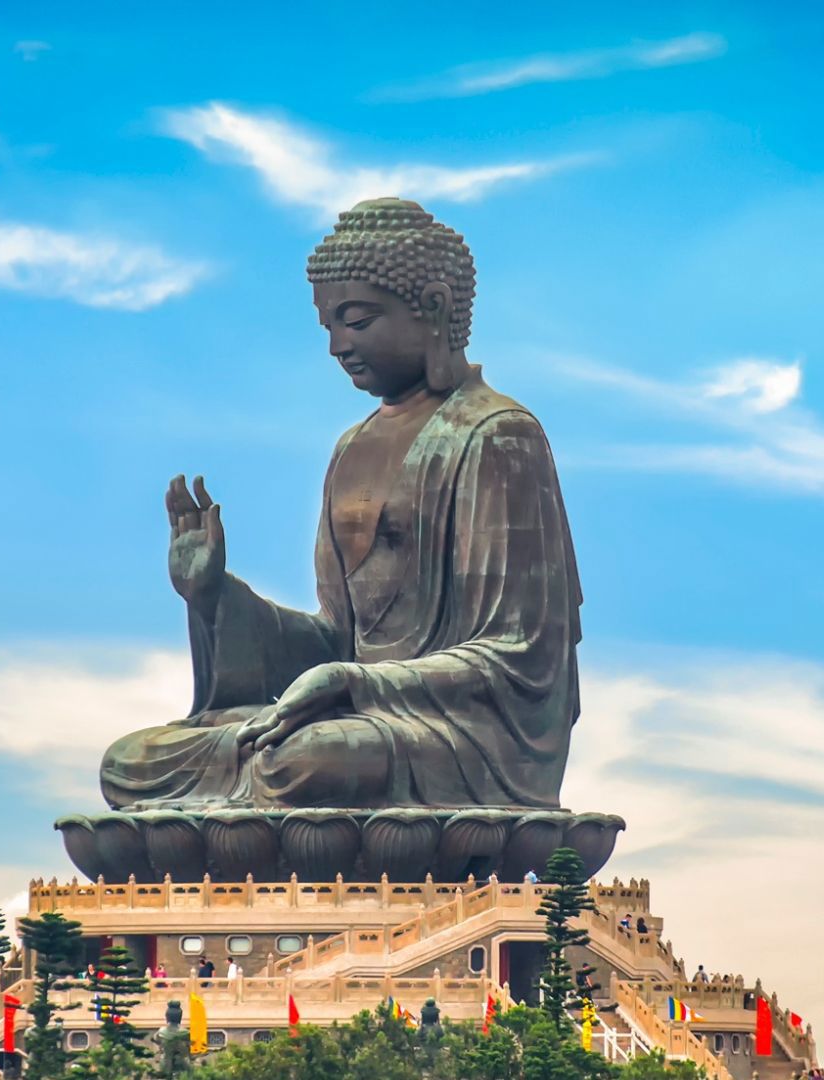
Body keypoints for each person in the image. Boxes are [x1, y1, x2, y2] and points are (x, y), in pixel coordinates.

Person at [99, 198, 584, 812]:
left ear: (433, 307)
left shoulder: (496, 434)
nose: (336, 346)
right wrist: (217, 598)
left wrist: (356, 682)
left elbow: (519, 658)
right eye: (327, 324)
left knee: (309, 761)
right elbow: (337, 642)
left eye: (356, 321)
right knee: (132, 763)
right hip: (359, 716)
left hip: (461, 740)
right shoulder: (350, 448)